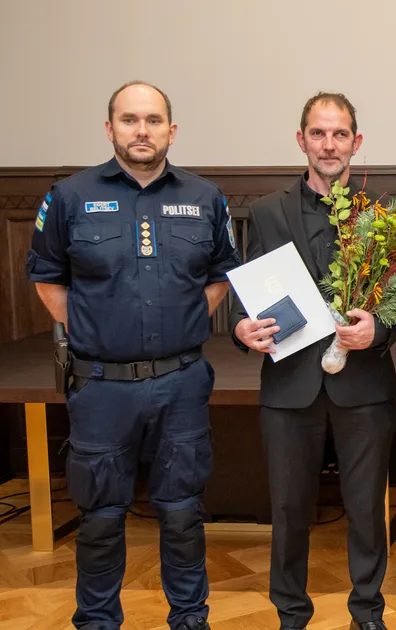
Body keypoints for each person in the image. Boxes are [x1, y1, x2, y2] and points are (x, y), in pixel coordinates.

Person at [26, 81, 240, 630]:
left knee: (182, 514)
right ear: (109, 128)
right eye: (128, 120)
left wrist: (190, 316)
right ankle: (97, 622)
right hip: (101, 386)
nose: (141, 130)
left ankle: (190, 619)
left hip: (181, 383)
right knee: (99, 519)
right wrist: (93, 326)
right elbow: (47, 278)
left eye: (152, 120)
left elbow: (219, 275)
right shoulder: (69, 196)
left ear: (172, 129)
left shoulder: (205, 197)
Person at [231, 92, 396, 630]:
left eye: (340, 134)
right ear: (301, 139)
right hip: (289, 385)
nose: (329, 144)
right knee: (288, 510)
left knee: (368, 510)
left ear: (357, 142)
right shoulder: (265, 212)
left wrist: (378, 330)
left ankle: (367, 613)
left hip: (364, 386)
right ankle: (291, 614)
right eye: (319, 134)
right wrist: (242, 327)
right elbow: (245, 297)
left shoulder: (384, 217)